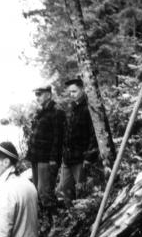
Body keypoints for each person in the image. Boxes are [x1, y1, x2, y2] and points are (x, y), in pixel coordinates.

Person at [58, 77, 99, 206]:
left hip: (81, 158)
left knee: (82, 190)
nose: (71, 94)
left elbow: (94, 135)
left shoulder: (89, 108)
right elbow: (65, 133)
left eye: (74, 91)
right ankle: (71, 214)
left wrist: (88, 157)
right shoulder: (71, 108)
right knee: (65, 188)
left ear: (82, 89)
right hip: (67, 158)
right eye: (70, 92)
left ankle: (83, 216)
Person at [26, 85, 65, 212]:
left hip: (47, 159)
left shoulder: (57, 111)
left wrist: (53, 159)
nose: (37, 97)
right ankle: (48, 219)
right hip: (36, 158)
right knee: (38, 190)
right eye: (36, 95)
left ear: (48, 95)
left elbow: (58, 138)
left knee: (45, 191)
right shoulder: (41, 111)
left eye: (40, 94)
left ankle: (54, 218)